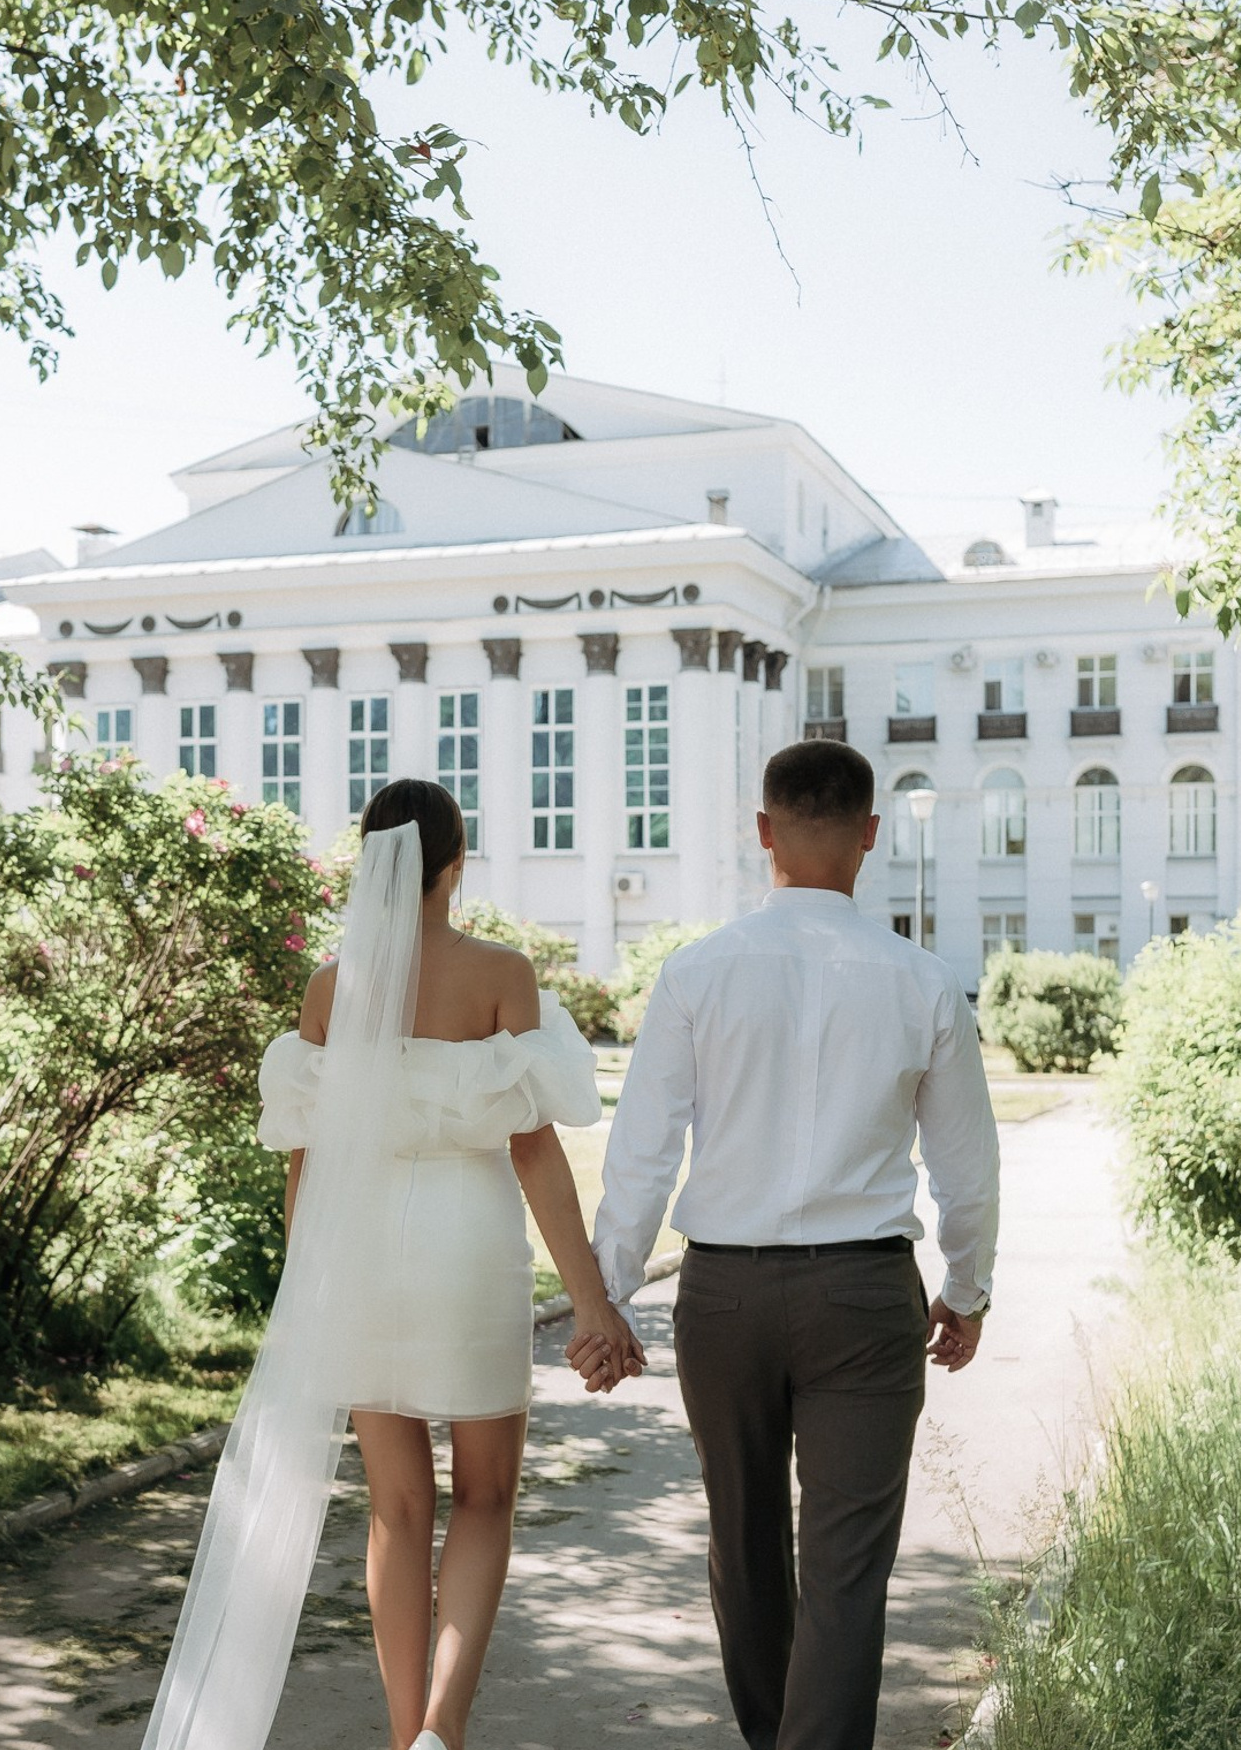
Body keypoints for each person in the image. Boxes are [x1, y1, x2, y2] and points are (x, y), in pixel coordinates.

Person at [139, 778, 643, 1750]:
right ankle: (444, 1731)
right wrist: (592, 1305)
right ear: (456, 865)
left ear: (374, 861)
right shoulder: (502, 973)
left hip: (360, 1252)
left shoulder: (333, 988)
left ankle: (405, 1732)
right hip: (468, 1251)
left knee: (396, 1510)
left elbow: (306, 1157)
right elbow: (536, 1151)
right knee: (486, 1497)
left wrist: (306, 1296)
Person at [572, 737, 1000, 1750]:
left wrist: (610, 1297)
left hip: (724, 1299)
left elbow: (643, 1151)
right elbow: (967, 1167)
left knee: (744, 1544)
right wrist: (967, 1287)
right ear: (872, 834)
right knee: (848, 1568)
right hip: (865, 1299)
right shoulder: (924, 982)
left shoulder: (696, 973)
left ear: (762, 831)